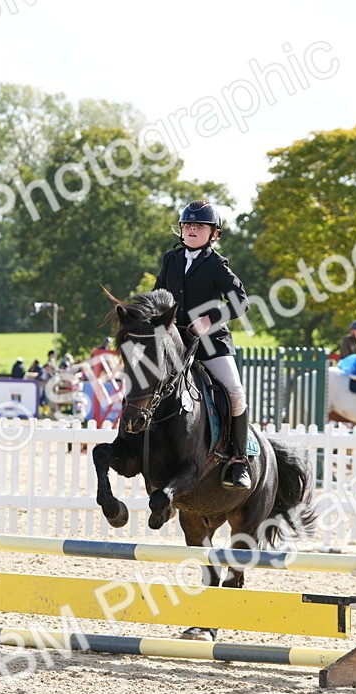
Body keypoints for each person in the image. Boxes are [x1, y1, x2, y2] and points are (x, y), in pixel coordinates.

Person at [153, 199, 252, 489]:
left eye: (199, 226)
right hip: (175, 344)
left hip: (211, 344)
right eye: (187, 225)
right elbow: (157, 294)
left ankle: (239, 460)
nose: (192, 229)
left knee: (235, 393)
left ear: (214, 233)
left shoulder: (216, 265)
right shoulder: (171, 260)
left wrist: (211, 319)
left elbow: (241, 302)